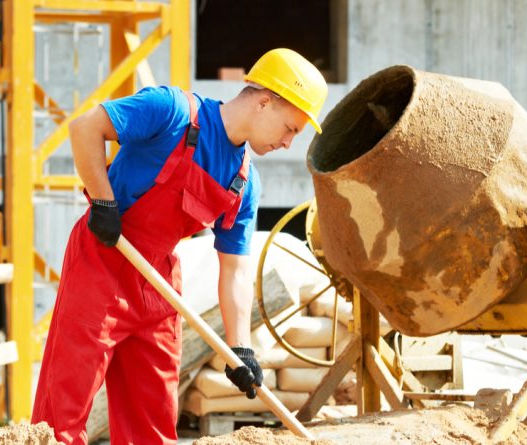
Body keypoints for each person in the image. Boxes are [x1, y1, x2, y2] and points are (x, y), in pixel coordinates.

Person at [31, 48, 328, 445]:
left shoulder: (245, 183)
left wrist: (240, 350)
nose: (289, 143)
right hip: (104, 257)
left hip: (157, 283)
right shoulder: (170, 110)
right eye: (290, 128)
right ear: (264, 102)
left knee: (152, 422)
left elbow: (234, 271)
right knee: (63, 410)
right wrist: (103, 200)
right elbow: (85, 128)